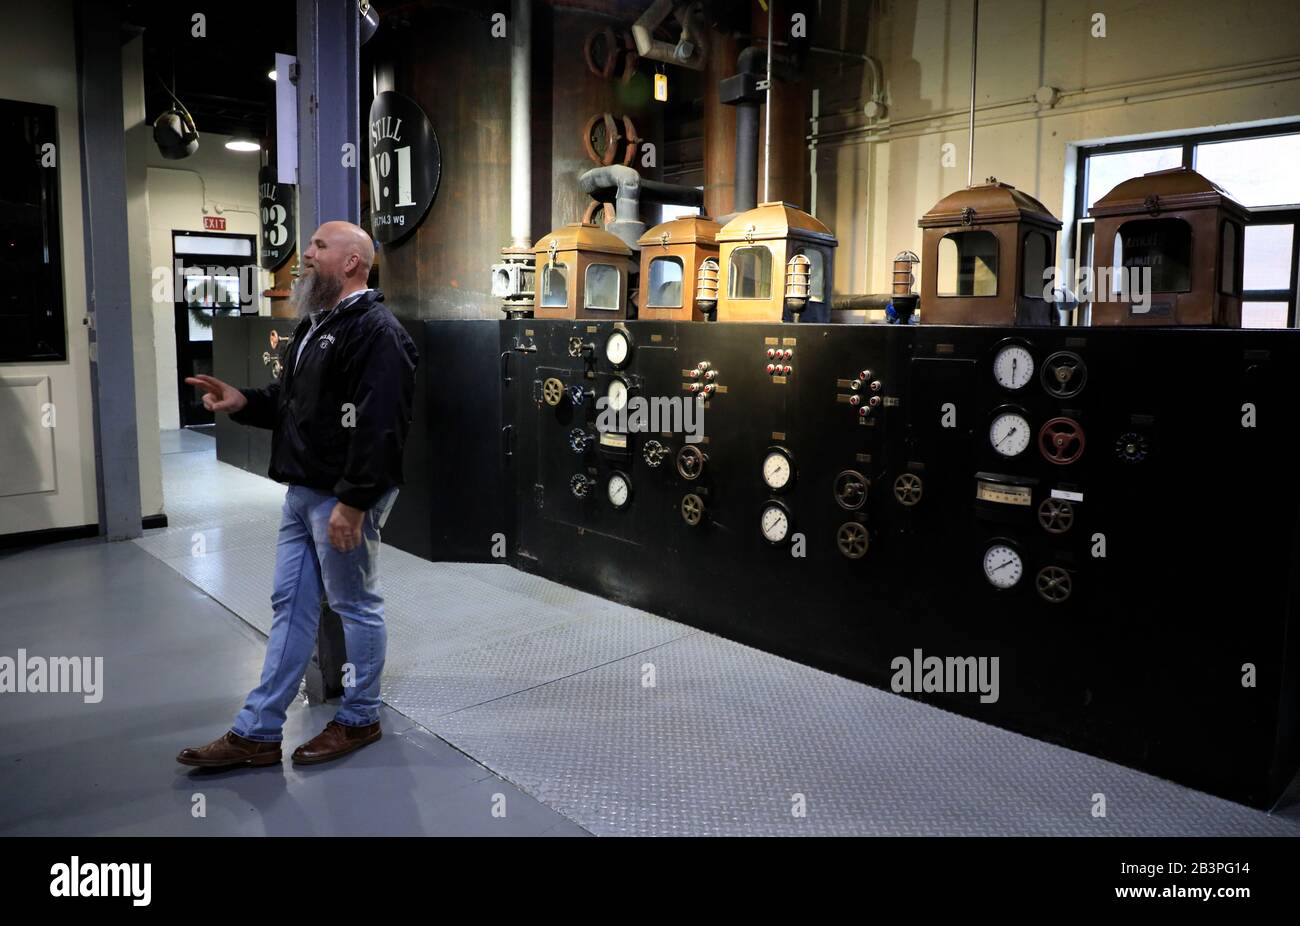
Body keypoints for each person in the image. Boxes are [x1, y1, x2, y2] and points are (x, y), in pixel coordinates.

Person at [177, 220, 418, 768]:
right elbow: (292, 402)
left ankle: (361, 718)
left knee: (356, 606)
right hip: (301, 492)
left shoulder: (377, 331)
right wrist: (244, 400)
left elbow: (382, 427)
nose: (305, 254)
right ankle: (258, 732)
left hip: (339, 497)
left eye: (318, 246)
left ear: (353, 261)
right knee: (291, 606)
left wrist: (353, 503)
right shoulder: (316, 323)